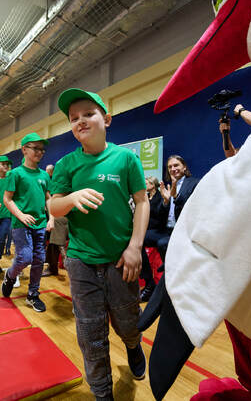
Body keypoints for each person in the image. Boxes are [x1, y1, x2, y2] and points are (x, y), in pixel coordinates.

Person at [49, 88, 150, 399]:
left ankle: (133, 346)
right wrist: (71, 198)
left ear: (106, 119)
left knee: (128, 322)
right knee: (91, 334)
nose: (81, 121)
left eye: (88, 114)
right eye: (74, 118)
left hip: (121, 259)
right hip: (80, 261)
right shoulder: (66, 165)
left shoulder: (125, 159)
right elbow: (53, 207)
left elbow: (142, 202)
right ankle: (102, 393)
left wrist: (135, 247)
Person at [1, 133, 54, 313]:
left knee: (39, 259)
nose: (40, 152)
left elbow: (48, 198)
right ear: (24, 150)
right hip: (21, 223)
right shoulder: (15, 174)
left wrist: (52, 217)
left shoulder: (44, 176)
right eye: (35, 148)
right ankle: (10, 275)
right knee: (25, 257)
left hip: (40, 223)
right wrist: (21, 215)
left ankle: (33, 294)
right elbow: (7, 199)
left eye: (42, 149)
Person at [155, 155, 199, 264]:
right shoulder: (167, 187)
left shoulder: (195, 183)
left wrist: (175, 197)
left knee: (162, 243)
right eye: (170, 167)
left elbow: (194, 208)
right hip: (167, 229)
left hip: (185, 230)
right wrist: (165, 201)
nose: (173, 169)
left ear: (184, 167)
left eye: (176, 165)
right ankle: (150, 277)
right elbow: (159, 214)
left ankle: (168, 269)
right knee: (140, 239)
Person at [138, 175, 167, 302]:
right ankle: (148, 281)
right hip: (148, 230)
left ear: (153, 185)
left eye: (147, 183)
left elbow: (161, 215)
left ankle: (149, 284)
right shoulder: (146, 198)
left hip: (158, 231)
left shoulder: (160, 197)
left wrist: (165, 201)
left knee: (139, 241)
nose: (144, 185)